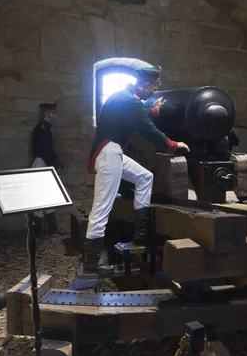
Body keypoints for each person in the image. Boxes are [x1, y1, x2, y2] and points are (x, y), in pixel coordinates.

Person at [77, 66, 189, 277]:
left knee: (145, 177)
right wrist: (173, 145)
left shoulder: (127, 98)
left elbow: (140, 113)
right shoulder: (129, 101)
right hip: (109, 153)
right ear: (146, 84)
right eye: (154, 87)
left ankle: (140, 235)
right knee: (102, 207)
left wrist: (155, 110)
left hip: (113, 151)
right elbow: (148, 128)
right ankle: (91, 263)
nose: (154, 91)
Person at [31, 102, 64, 236]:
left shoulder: (45, 129)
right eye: (53, 113)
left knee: (47, 195)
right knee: (40, 196)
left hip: (44, 163)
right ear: (46, 113)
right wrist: (53, 163)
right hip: (41, 164)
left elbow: (49, 149)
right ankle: (40, 229)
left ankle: (50, 228)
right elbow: (44, 150)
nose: (54, 116)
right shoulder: (42, 129)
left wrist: (55, 161)